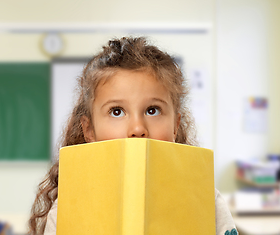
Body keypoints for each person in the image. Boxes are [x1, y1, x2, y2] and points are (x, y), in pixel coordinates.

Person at [28, 36, 237, 235]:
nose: (137, 128)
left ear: (175, 125)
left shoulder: (206, 199)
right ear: (89, 130)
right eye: (116, 111)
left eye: (152, 110)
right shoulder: (70, 204)